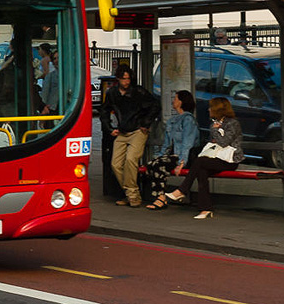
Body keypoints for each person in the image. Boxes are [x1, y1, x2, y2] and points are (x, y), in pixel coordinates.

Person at [162, 97, 243, 219]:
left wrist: (215, 130)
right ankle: (205, 208)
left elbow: (224, 142)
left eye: (211, 107)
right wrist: (215, 131)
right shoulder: (214, 123)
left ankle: (182, 190)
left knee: (200, 161)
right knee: (201, 170)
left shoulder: (232, 123)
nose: (209, 109)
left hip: (230, 160)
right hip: (216, 158)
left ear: (218, 108)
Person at [99, 63, 159, 207]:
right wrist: (109, 128)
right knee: (116, 164)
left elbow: (155, 106)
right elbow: (104, 111)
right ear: (118, 79)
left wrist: (145, 124)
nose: (126, 82)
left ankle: (132, 195)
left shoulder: (136, 92)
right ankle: (131, 193)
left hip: (136, 130)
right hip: (125, 130)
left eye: (128, 79)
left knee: (130, 160)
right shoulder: (114, 93)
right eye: (124, 79)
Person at [146, 90, 201, 209]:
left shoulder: (188, 120)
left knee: (159, 165)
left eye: (175, 99)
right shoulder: (172, 121)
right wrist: (160, 156)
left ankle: (160, 198)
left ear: (181, 102)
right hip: (172, 156)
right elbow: (166, 145)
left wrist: (182, 162)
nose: (173, 101)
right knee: (152, 164)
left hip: (183, 157)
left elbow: (188, 143)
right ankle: (161, 197)